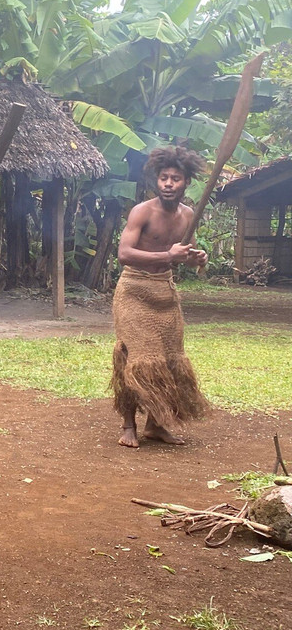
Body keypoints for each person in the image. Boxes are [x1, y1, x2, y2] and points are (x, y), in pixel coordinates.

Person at [113, 146, 209, 448]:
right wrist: (168, 253)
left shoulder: (188, 215)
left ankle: (155, 425)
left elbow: (187, 255)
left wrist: (197, 258)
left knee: (169, 361)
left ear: (186, 183)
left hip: (165, 293)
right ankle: (128, 425)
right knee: (137, 359)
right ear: (157, 180)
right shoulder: (142, 211)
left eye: (175, 179)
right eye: (164, 178)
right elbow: (123, 254)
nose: (168, 183)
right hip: (134, 291)